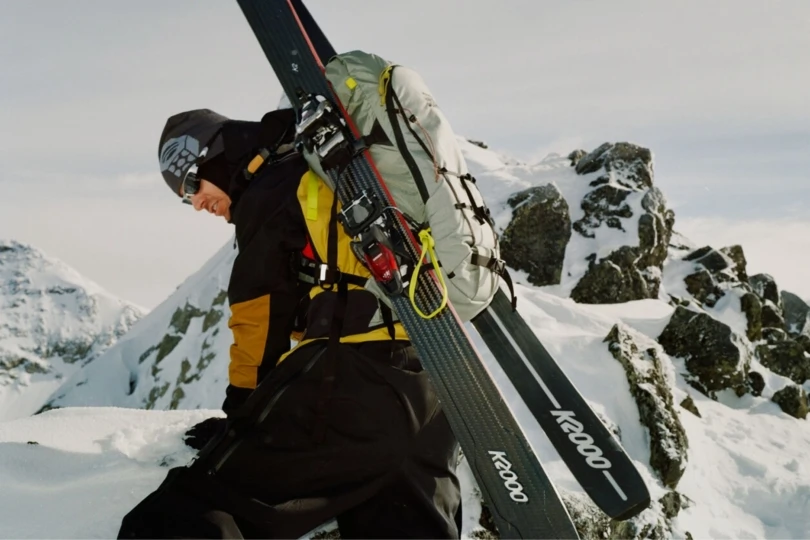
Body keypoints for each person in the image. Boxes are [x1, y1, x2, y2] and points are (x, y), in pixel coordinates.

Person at [117, 108, 462, 539]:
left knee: (181, 517)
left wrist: (240, 420)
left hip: (351, 380)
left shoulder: (271, 189)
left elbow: (259, 316)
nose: (196, 203)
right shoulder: (319, 168)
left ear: (216, 156)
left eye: (191, 183)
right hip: (436, 384)